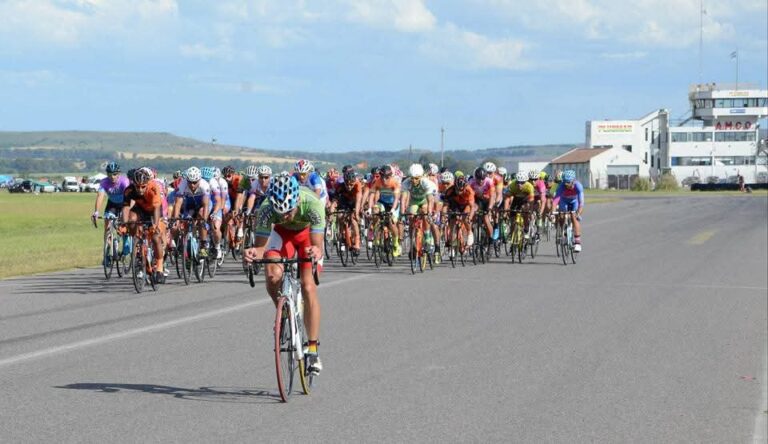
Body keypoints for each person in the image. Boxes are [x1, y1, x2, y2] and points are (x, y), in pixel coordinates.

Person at [244, 175, 325, 376]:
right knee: (272, 274)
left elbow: (318, 246)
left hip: (307, 236)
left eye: (288, 211)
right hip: (282, 235)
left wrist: (316, 252)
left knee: (307, 286)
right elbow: (262, 248)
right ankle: (284, 313)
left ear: (296, 201)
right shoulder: (265, 209)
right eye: (280, 212)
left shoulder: (312, 204)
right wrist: (254, 252)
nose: (285, 216)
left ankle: (313, 349)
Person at [122, 168, 167, 283]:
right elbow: (126, 207)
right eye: (137, 186)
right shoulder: (129, 190)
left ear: (148, 183)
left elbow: (157, 208)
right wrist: (124, 224)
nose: (140, 189)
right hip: (141, 209)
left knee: (156, 237)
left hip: (154, 211)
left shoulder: (153, 188)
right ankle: (137, 244)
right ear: (134, 184)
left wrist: (155, 226)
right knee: (131, 220)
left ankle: (160, 268)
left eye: (143, 187)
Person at [91, 161, 132, 256]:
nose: (112, 177)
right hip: (112, 204)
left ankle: (126, 240)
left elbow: (128, 198)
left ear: (119, 174)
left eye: (114, 174)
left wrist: (124, 214)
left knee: (123, 223)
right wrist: (96, 211)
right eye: (109, 174)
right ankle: (107, 250)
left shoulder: (124, 181)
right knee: (107, 225)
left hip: (124, 204)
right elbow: (100, 196)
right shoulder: (104, 182)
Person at [552, 169, 584, 252]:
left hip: (574, 202)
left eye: (568, 182)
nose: (566, 184)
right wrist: (552, 213)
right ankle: (564, 234)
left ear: (573, 181)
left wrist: (578, 213)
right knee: (562, 216)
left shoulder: (578, 186)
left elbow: (581, 203)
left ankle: (577, 243)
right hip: (564, 201)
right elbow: (555, 201)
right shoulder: (561, 186)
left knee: (574, 217)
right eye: (565, 182)